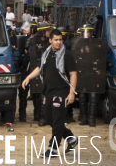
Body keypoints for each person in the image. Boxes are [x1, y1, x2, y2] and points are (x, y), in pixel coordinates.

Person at [22, 29, 78, 157]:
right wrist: (28, 77)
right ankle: (71, 138)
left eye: (60, 40)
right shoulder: (46, 53)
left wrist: (71, 93)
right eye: (56, 40)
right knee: (49, 118)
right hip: (48, 91)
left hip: (62, 91)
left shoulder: (67, 55)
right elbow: (39, 68)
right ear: (50, 40)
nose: (59, 42)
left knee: (58, 120)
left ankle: (52, 148)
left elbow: (73, 74)